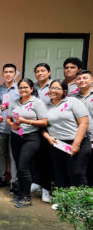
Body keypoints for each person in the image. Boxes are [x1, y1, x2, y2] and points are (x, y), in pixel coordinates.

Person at [43, 80, 90, 211]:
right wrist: (47, 137)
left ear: (64, 91)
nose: (53, 90)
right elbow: (41, 125)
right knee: (60, 173)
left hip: (76, 142)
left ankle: (82, 204)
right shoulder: (45, 105)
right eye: (52, 88)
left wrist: (76, 143)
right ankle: (63, 201)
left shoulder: (73, 102)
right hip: (57, 144)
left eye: (57, 88)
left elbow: (84, 123)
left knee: (76, 173)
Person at [7, 79, 48, 208]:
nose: (23, 90)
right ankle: (21, 193)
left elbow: (44, 122)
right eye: (20, 87)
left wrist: (26, 121)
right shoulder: (15, 102)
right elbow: (9, 118)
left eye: (25, 87)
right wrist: (11, 124)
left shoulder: (37, 102)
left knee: (23, 166)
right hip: (16, 137)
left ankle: (27, 198)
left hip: (31, 138)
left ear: (31, 89)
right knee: (19, 166)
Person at [0, 64, 19, 192]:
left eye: (11, 72)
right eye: (6, 72)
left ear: (15, 73)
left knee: (14, 155)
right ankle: (2, 178)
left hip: (15, 128)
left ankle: (14, 182)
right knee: (2, 154)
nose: (8, 74)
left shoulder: (20, 88)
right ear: (2, 74)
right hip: (1, 127)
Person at [31, 63, 54, 203]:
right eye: (37, 71)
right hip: (34, 127)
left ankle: (46, 189)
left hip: (49, 127)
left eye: (43, 71)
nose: (40, 73)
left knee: (47, 159)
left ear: (49, 72)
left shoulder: (54, 86)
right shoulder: (33, 86)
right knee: (35, 157)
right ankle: (37, 182)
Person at [69, 70, 93, 186]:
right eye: (78, 79)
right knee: (78, 172)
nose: (81, 80)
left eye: (85, 78)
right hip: (79, 140)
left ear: (91, 80)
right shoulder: (72, 98)